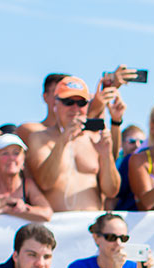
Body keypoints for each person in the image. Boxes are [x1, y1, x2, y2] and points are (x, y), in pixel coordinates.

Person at [26, 76, 120, 212]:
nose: (75, 108)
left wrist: (106, 156)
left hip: (92, 224)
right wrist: (63, 140)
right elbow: (45, 183)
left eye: (81, 103)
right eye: (68, 102)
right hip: (56, 224)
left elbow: (111, 191)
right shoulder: (39, 138)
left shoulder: (94, 139)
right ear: (55, 104)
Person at [16, 73, 68, 144]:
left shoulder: (83, 135)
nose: (62, 98)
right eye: (56, 93)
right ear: (45, 97)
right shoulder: (29, 130)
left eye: (67, 94)